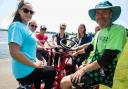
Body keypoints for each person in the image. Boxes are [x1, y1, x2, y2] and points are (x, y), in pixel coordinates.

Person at [61, 1, 127, 89]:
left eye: (104, 12)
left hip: (104, 71)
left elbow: (106, 60)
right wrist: (76, 52)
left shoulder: (118, 30)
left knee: (64, 82)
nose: (100, 15)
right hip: (96, 67)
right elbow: (88, 48)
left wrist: (84, 69)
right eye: (98, 13)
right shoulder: (98, 33)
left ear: (110, 14)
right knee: (76, 77)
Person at [8, 0, 56, 89]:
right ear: (19, 11)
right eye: (26, 10)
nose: (29, 13)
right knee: (52, 71)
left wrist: (36, 61)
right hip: (25, 70)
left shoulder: (25, 27)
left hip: (27, 67)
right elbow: (14, 52)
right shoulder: (16, 26)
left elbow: (28, 48)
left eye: (31, 12)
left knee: (41, 68)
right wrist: (34, 65)